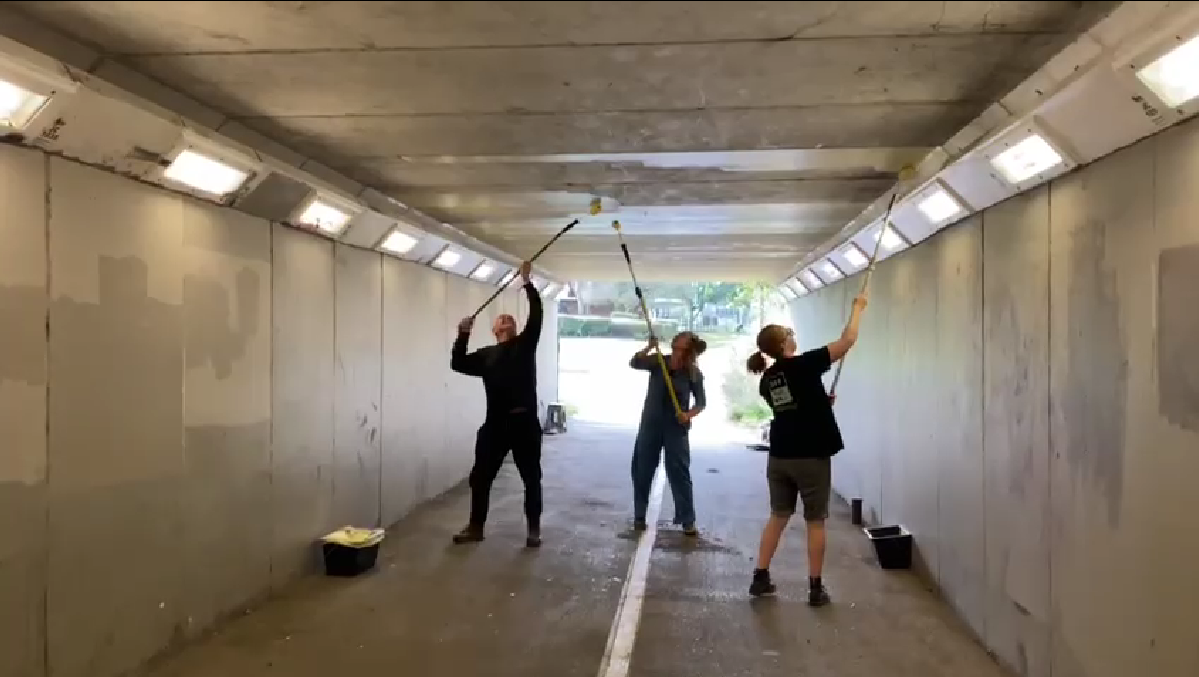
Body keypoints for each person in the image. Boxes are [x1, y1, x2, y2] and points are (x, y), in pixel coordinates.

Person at [746, 293, 867, 605]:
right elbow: (848, 339)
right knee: (815, 520)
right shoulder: (806, 364)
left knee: (778, 515)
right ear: (785, 343)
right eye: (790, 334)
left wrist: (819, 403)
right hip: (810, 456)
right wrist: (857, 308)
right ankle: (815, 587)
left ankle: (760, 576)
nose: (793, 336)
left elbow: (790, 406)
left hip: (780, 455)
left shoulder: (767, 379)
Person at [450, 261, 544, 548]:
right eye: (502, 319)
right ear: (494, 329)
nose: (506, 319)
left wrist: (527, 282)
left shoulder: (525, 344)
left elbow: (537, 314)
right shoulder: (486, 356)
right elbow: (458, 363)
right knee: (480, 477)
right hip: (496, 425)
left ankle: (533, 530)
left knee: (531, 478)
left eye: (510, 319)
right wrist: (463, 334)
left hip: (525, 423)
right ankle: (475, 527)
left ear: (515, 328)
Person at [629, 331, 708, 536]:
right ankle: (639, 516)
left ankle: (687, 520)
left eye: (681, 350)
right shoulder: (658, 362)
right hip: (651, 424)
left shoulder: (694, 374)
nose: (675, 353)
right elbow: (635, 363)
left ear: (689, 353)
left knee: (679, 472)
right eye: (674, 348)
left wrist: (688, 415)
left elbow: (701, 403)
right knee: (643, 469)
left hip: (676, 428)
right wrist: (648, 347)